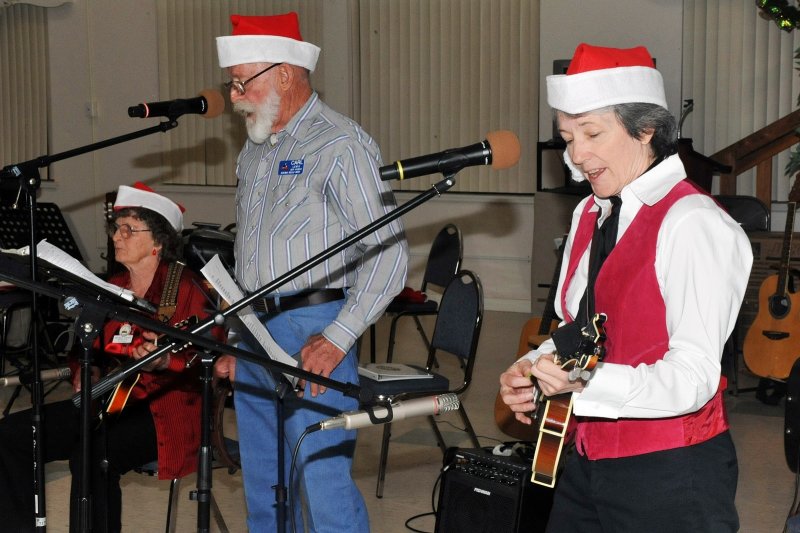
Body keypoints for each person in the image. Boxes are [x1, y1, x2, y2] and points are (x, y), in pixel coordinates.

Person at [498, 43, 753, 532]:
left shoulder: (693, 222)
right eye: (567, 137)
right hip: (586, 459)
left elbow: (695, 378)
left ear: (646, 129)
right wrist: (532, 367)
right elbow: (584, 327)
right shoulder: (591, 211)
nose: (576, 155)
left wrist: (585, 386)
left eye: (593, 133)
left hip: (672, 472)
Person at [212, 12, 408, 533]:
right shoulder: (254, 153)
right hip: (254, 333)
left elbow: (388, 253)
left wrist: (338, 338)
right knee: (265, 487)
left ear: (283, 75)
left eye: (241, 82)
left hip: (313, 332)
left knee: (321, 487)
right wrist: (237, 338)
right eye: (230, 84)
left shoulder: (341, 144)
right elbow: (250, 255)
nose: (233, 97)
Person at [0, 182, 223, 532]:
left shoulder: (185, 288)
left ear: (158, 242)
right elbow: (85, 349)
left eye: (128, 229)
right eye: (115, 228)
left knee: (91, 457)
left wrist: (165, 362)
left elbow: (208, 356)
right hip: (107, 402)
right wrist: (84, 372)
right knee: (11, 434)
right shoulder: (109, 286)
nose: (117, 237)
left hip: (167, 408)